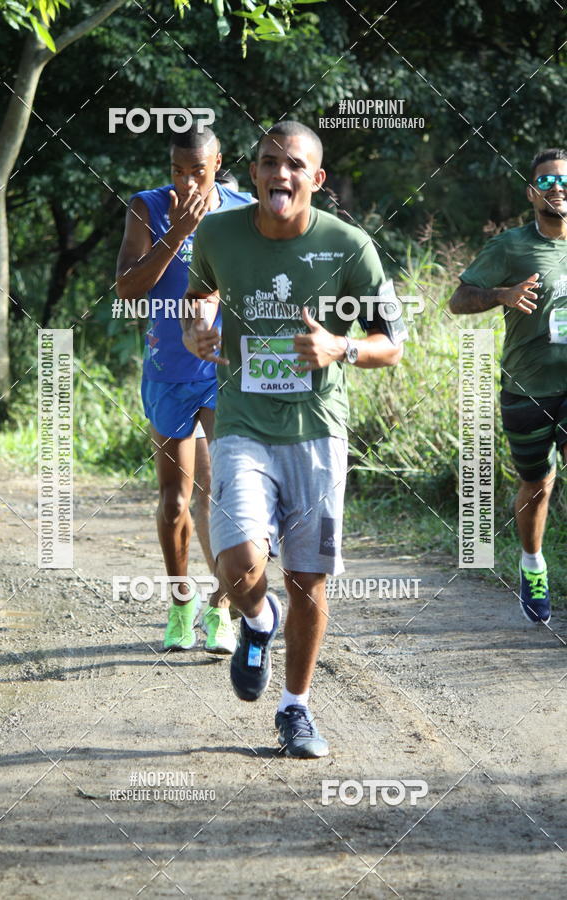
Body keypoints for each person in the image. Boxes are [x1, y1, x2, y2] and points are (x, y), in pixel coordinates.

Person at [182, 120, 404, 757]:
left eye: (295, 165)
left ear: (317, 178)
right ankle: (257, 621)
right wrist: (199, 327)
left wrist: (341, 346)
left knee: (309, 580)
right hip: (244, 423)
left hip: (317, 431)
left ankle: (295, 709)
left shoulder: (351, 245)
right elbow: (201, 296)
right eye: (269, 162)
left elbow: (392, 345)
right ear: (251, 172)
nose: (281, 174)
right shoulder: (218, 232)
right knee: (237, 561)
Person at [116, 126, 253, 653]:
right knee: (174, 501)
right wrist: (175, 235)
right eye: (177, 170)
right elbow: (127, 289)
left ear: (218, 162)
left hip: (223, 371)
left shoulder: (244, 208)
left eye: (197, 171)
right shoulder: (147, 208)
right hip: (168, 371)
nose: (186, 180)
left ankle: (220, 608)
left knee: (221, 497)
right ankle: (180, 605)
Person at [449, 148, 567, 625]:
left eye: (563, 180)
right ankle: (532, 562)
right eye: (545, 183)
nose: (556, 188)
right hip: (528, 387)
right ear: (531, 192)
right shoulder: (511, 247)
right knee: (536, 483)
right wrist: (501, 294)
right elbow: (458, 300)